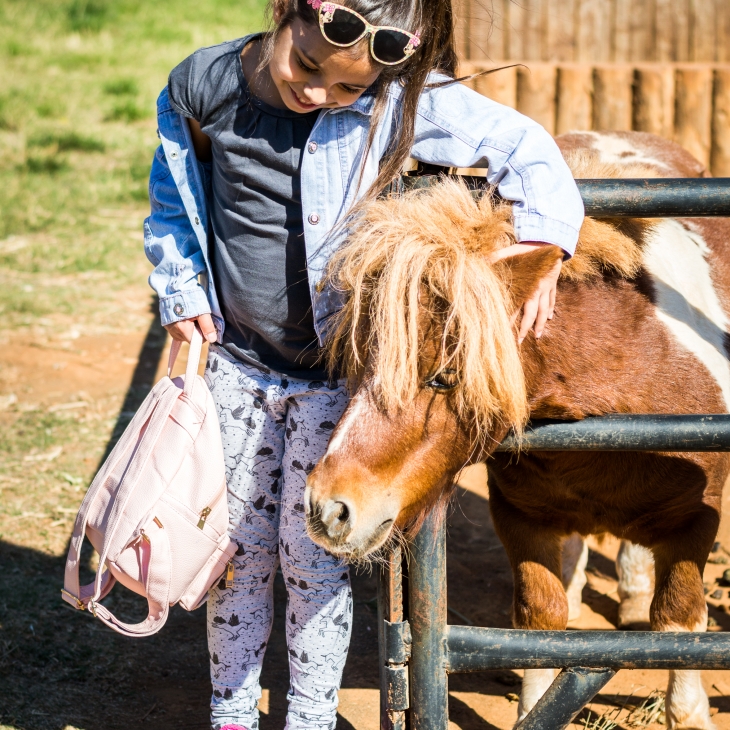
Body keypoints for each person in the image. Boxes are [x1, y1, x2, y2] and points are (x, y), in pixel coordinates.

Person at [144, 0, 584, 726]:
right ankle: (230, 711)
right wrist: (180, 285)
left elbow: (528, 149)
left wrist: (542, 250)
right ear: (288, 10)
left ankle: (310, 716)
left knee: (316, 561)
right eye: (308, 66)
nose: (319, 94)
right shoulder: (203, 83)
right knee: (235, 555)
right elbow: (172, 195)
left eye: (346, 89)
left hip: (336, 382)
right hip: (239, 366)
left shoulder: (398, 98)